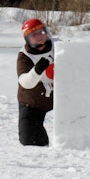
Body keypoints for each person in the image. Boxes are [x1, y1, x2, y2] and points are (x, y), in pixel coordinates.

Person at [17, 18, 55, 146]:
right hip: (32, 101)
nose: (39, 36)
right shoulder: (24, 56)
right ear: (27, 38)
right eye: (34, 34)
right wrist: (37, 71)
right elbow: (25, 82)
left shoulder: (59, 47)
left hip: (60, 97)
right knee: (29, 140)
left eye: (41, 32)